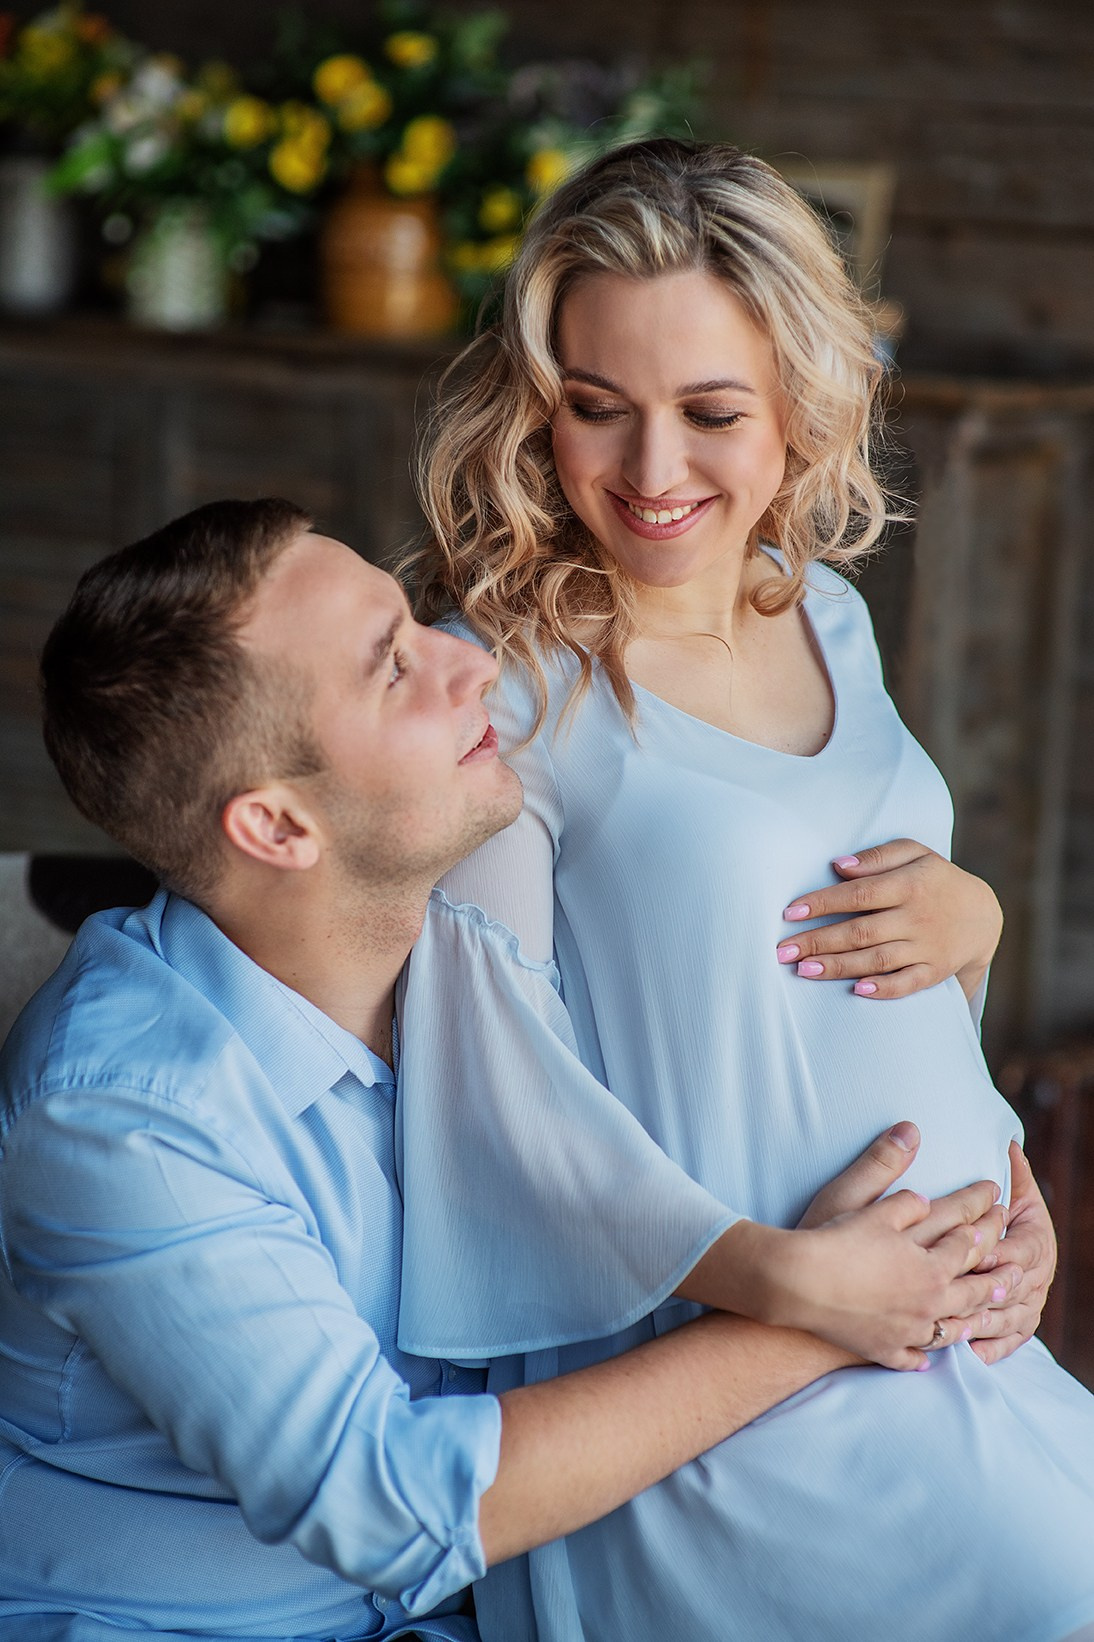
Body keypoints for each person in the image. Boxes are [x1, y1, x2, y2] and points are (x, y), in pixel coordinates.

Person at [0, 499, 1019, 1641]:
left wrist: (992, 1208)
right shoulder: (120, 1116)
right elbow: (388, 1501)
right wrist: (805, 1310)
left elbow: (809, 1072)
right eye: (392, 668)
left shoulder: (500, 925)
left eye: (412, 622)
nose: (467, 660)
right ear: (279, 830)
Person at [395, 138, 1094, 1640]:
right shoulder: (503, 679)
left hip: (955, 1334)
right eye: (595, 410)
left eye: (710, 412)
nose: (650, 474)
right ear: (538, 404)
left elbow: (841, 973)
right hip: (721, 1387)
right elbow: (489, 1099)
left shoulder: (824, 612)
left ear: (802, 407)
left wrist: (983, 999)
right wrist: (787, 1281)